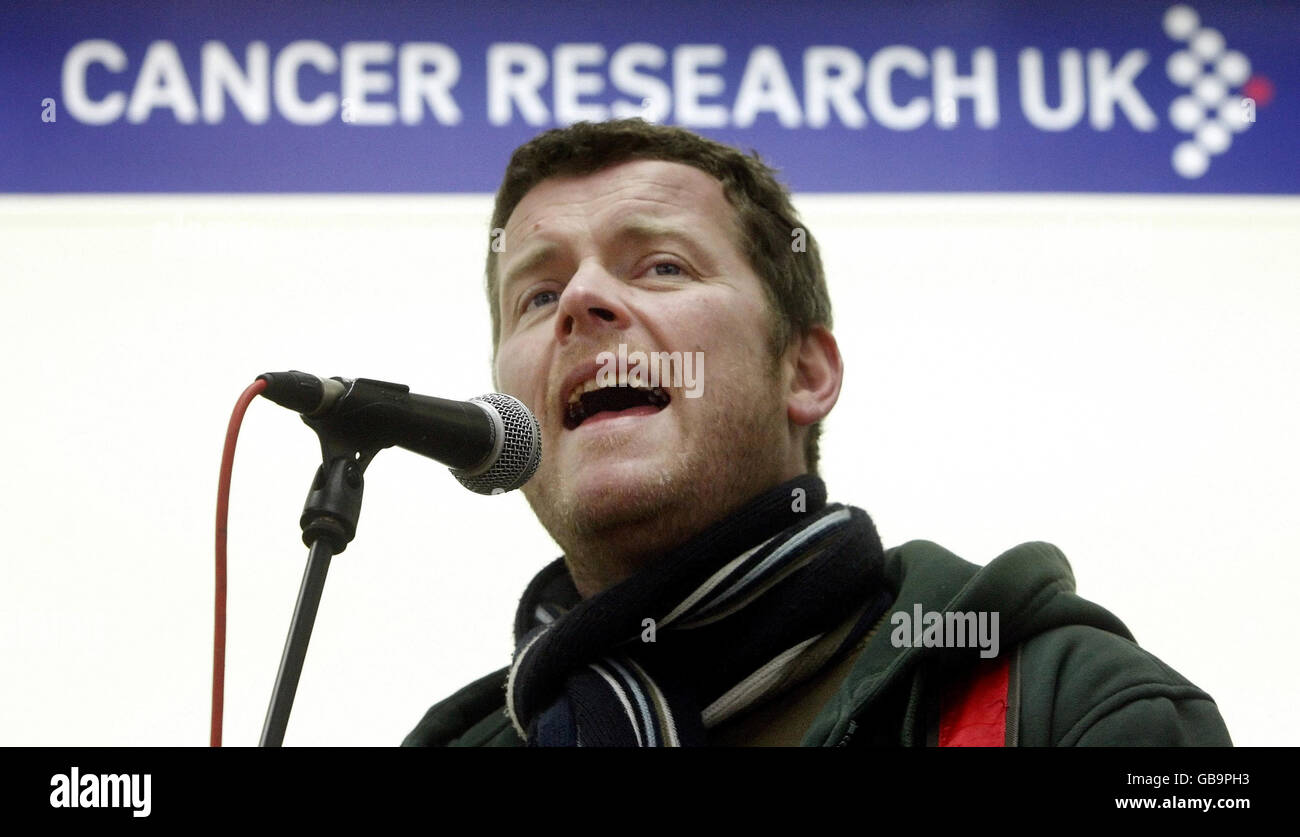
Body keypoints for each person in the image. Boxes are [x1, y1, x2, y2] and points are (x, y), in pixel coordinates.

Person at [403, 119, 1231, 747]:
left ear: (804, 372)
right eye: (538, 296)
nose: (581, 300)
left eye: (662, 266)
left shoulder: (1073, 700)